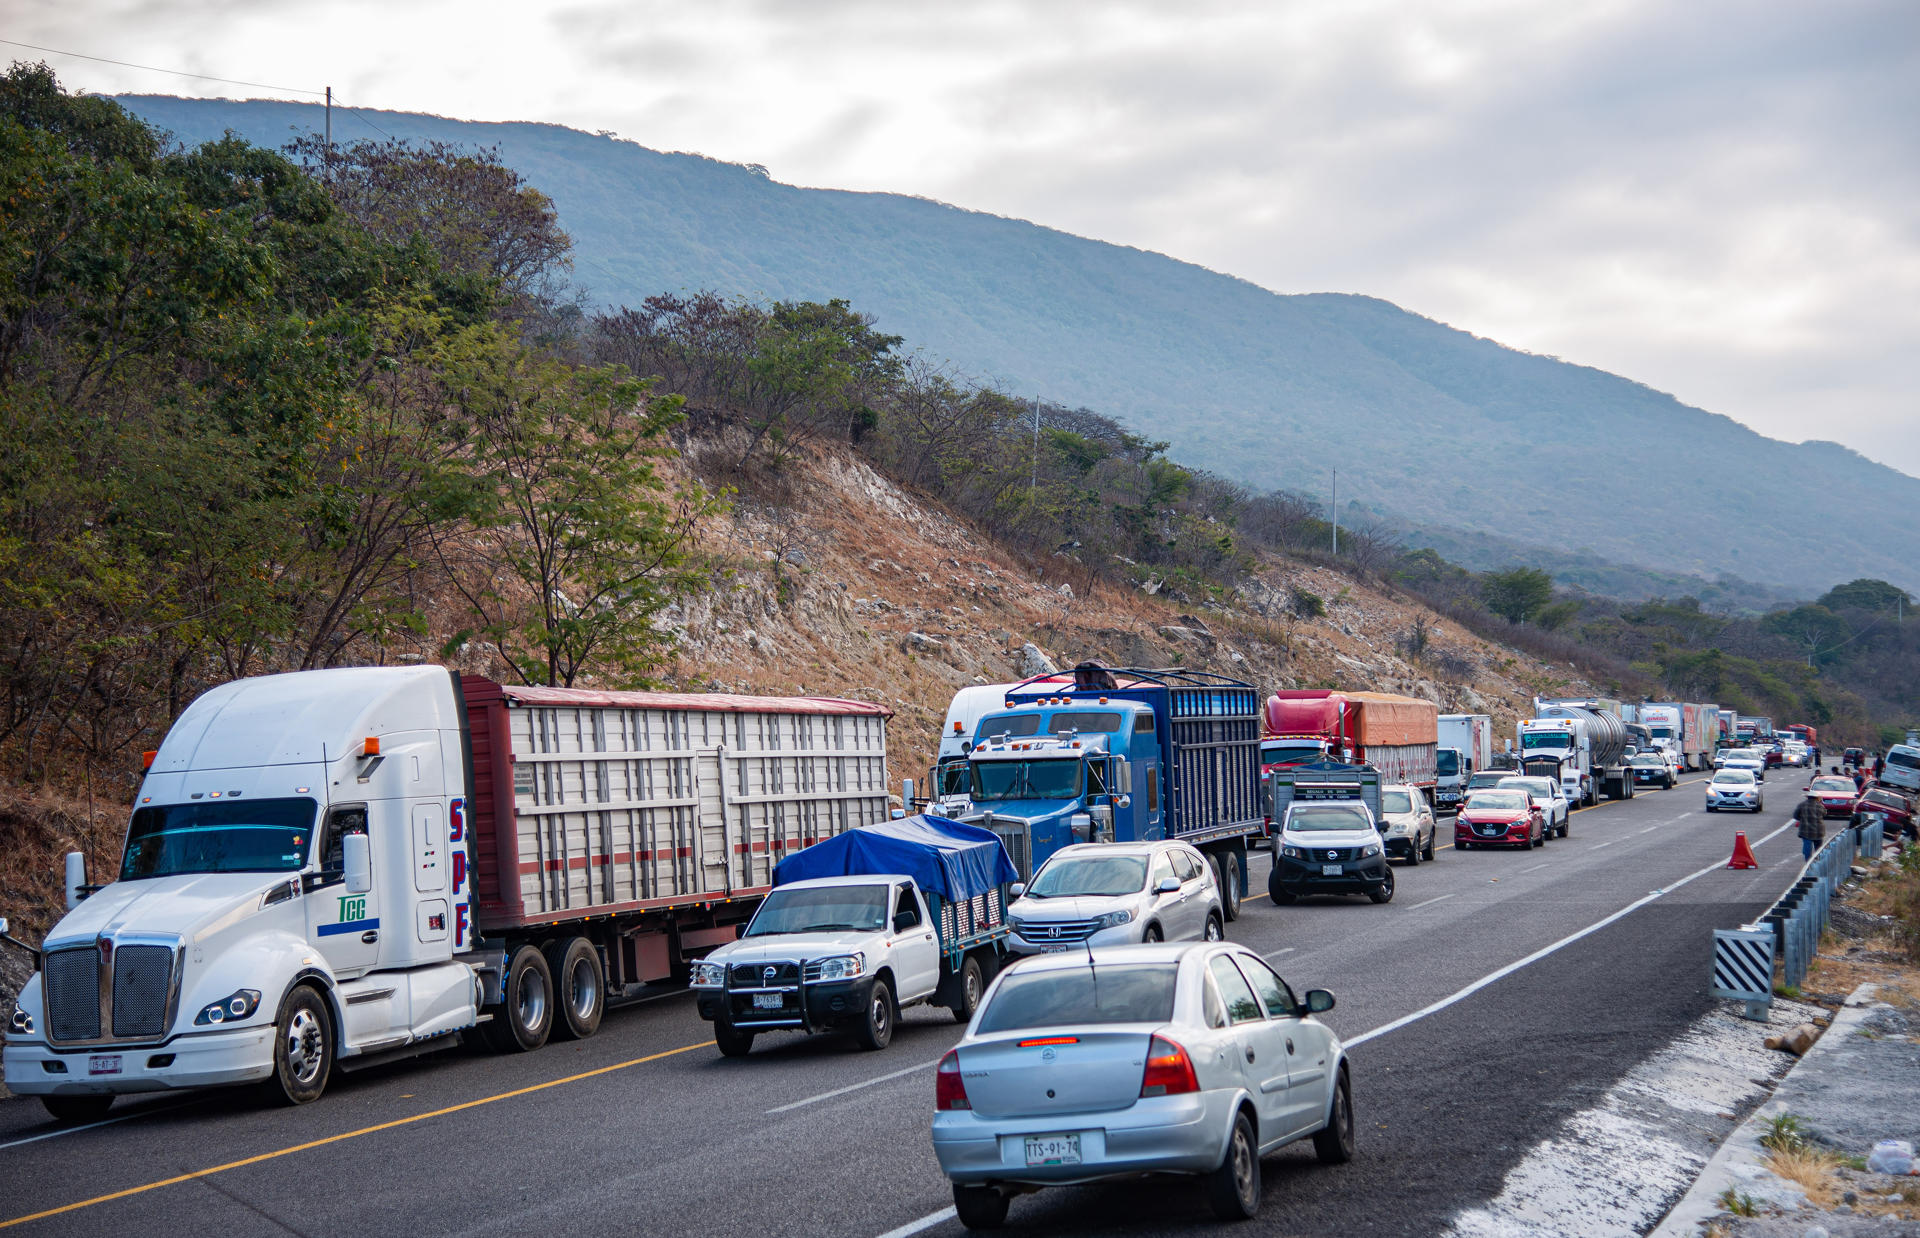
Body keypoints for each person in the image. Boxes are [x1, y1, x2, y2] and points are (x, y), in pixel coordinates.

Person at [1794, 791, 1826, 860]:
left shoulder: (1802, 805)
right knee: (1819, 849)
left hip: (1806, 831)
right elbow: (1824, 814)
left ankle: (1808, 862)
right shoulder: (1820, 806)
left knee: (1807, 848)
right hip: (1818, 831)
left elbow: (1796, 816)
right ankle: (1818, 861)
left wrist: (1802, 818)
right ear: (1817, 798)